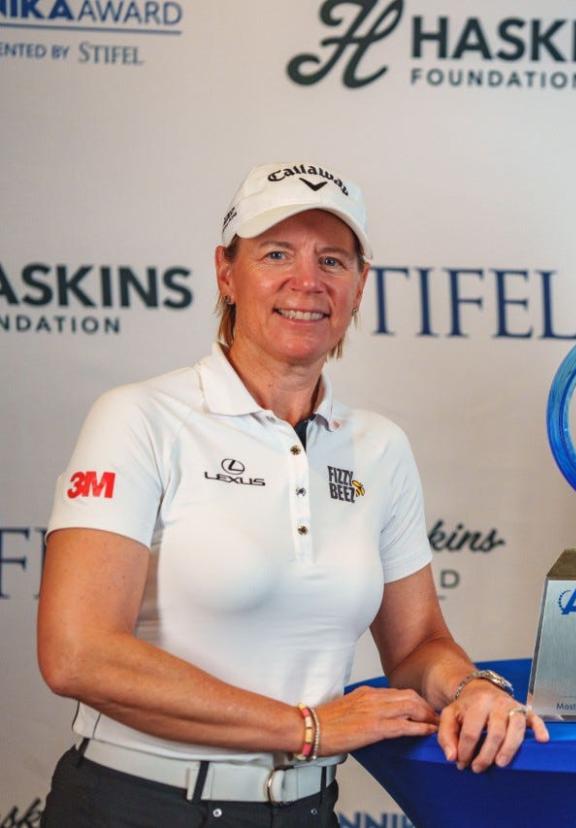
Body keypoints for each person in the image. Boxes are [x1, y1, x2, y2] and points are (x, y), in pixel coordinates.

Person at [37, 162, 548, 827]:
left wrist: (471, 686)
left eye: (333, 261)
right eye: (277, 253)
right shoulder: (140, 417)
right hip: (139, 806)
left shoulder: (378, 445)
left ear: (360, 286)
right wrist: (306, 729)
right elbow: (79, 654)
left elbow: (418, 642)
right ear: (227, 272)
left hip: (306, 811)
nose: (306, 282)